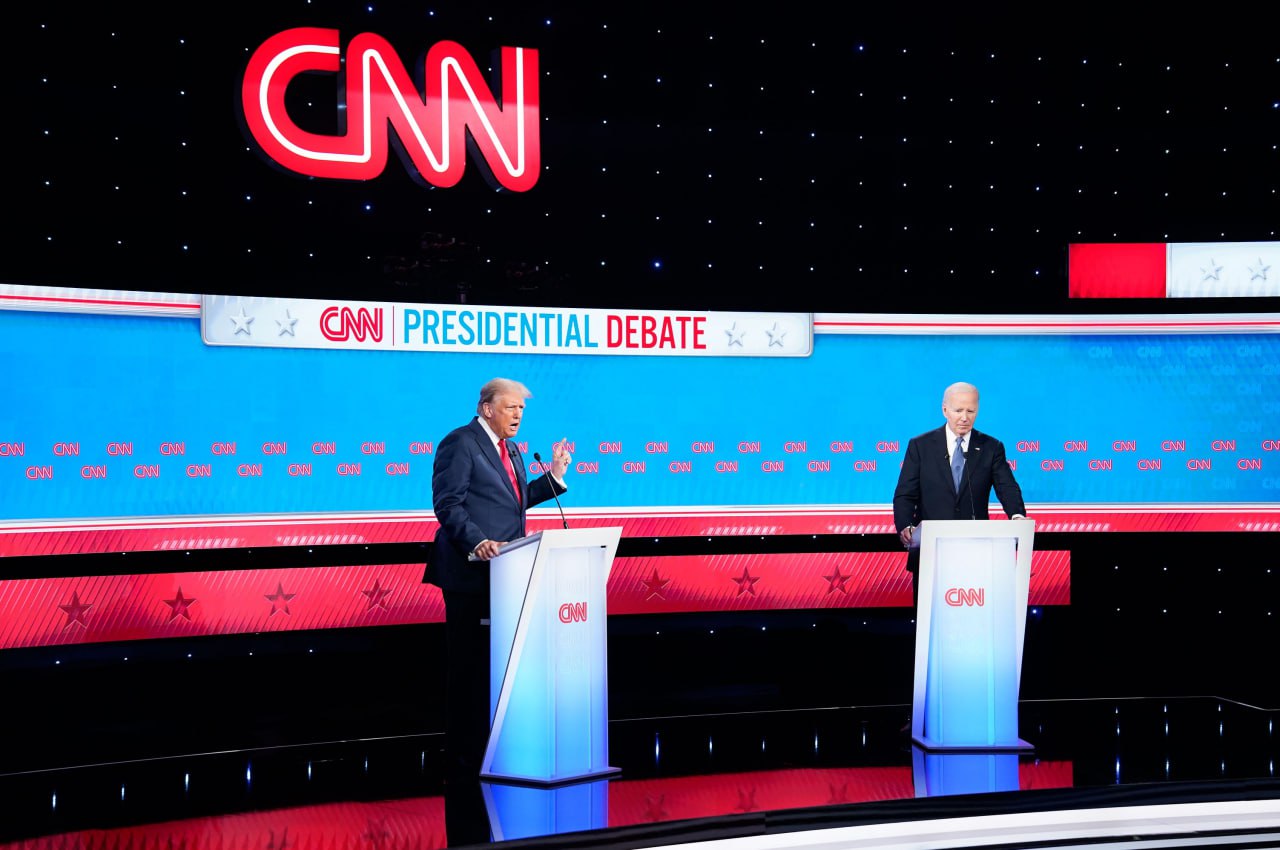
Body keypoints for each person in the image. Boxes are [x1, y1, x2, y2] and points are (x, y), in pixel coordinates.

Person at [424, 377, 571, 774]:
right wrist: (478, 542)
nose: (518, 415)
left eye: (521, 410)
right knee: (470, 671)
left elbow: (514, 499)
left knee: (499, 671)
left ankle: (496, 754)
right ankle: (464, 760)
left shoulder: (514, 450)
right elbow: (448, 505)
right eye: (511, 408)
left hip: (508, 575)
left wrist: (554, 476)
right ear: (487, 408)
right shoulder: (460, 443)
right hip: (470, 576)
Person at [892, 381, 1026, 609]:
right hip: (931, 552)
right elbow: (905, 494)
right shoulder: (920, 446)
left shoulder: (991, 447)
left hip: (977, 552)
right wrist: (905, 526)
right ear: (945, 410)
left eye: (970, 411)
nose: (965, 417)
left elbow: (1007, 487)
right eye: (958, 410)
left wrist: (1017, 516)